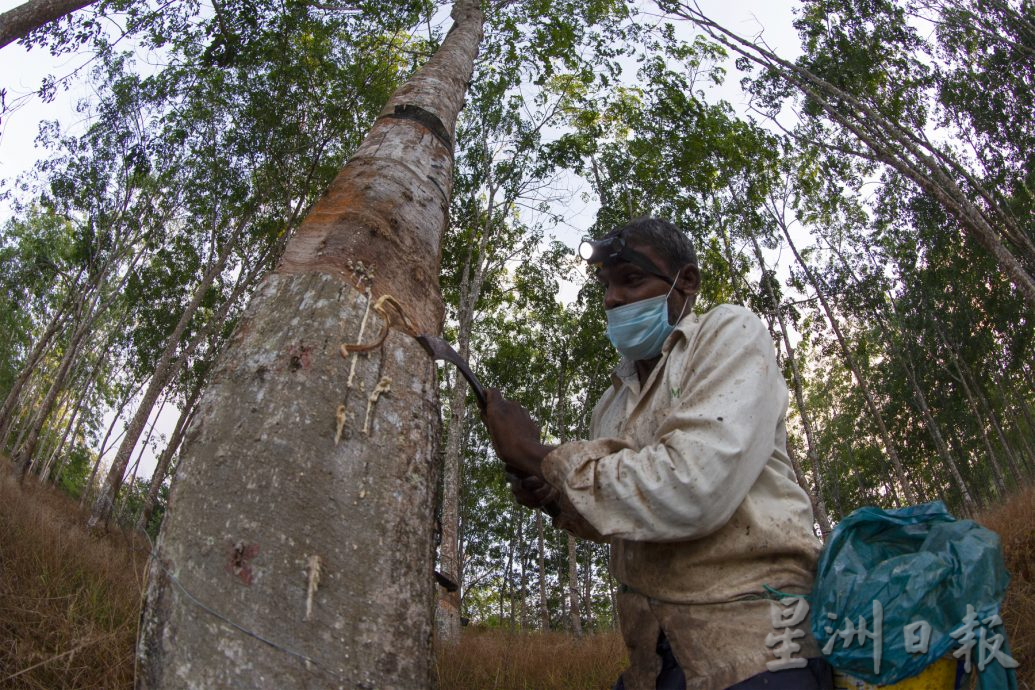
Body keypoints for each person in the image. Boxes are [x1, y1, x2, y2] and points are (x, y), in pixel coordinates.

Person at [482, 217, 832, 690]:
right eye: (606, 286)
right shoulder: (611, 404)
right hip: (652, 654)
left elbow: (693, 487)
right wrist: (553, 497)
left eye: (631, 279)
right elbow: (633, 518)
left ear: (685, 282)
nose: (612, 299)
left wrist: (535, 452)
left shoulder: (728, 334)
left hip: (756, 640)